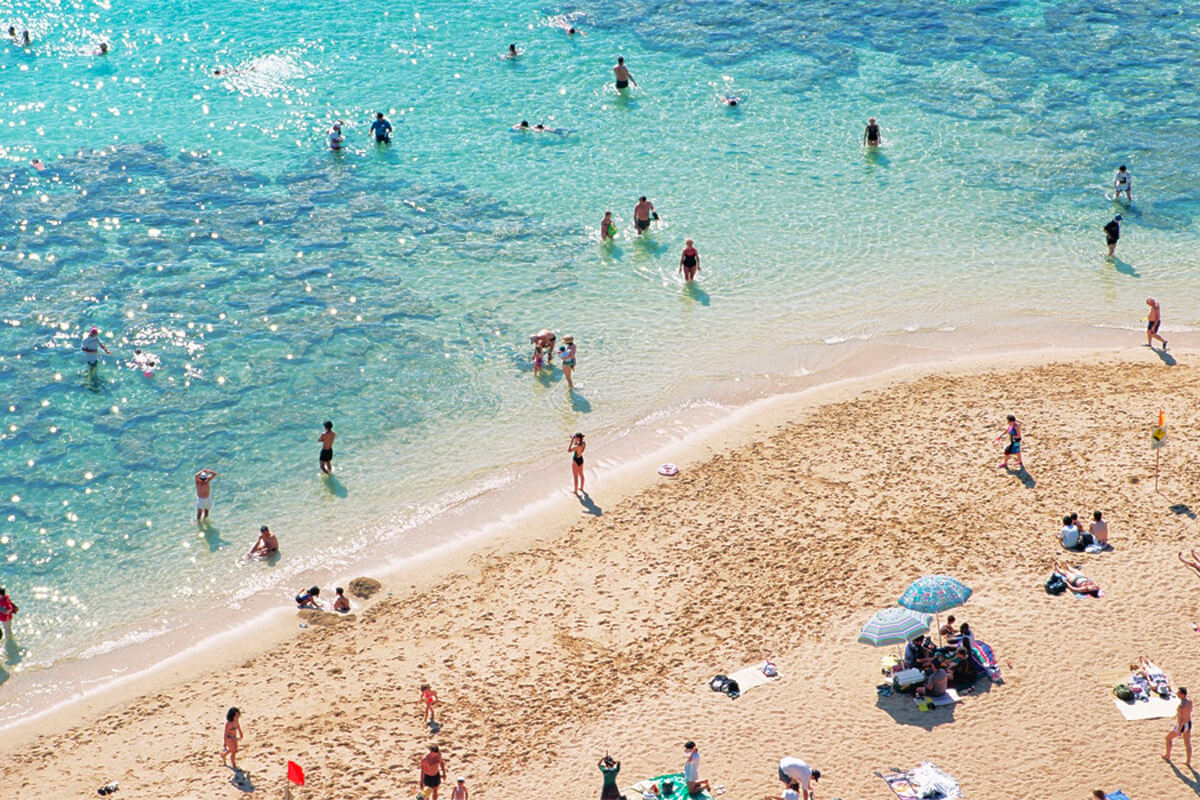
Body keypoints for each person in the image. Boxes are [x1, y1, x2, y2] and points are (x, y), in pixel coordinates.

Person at [1165, 686, 1193, 766]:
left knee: (1168, 738)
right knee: (1187, 743)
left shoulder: (1181, 707)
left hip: (1182, 725)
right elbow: (1189, 711)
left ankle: (1168, 755)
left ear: (1182, 694)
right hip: (1189, 723)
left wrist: (1179, 730)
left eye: (1178, 693)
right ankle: (1188, 761)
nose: (1177, 694)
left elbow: (1180, 720)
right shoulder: (1190, 701)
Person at [221, 707, 243, 772]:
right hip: (229, 739)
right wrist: (225, 743)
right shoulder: (228, 724)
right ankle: (234, 764)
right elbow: (226, 734)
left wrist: (241, 733)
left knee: (233, 750)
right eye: (236, 715)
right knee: (234, 751)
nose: (237, 717)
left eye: (238, 715)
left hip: (234, 737)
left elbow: (238, 727)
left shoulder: (236, 721)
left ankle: (223, 755)